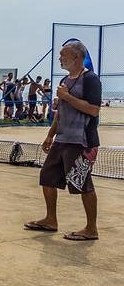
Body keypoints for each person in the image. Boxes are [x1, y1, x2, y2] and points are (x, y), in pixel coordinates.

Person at [25, 40, 102, 241]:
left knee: (82, 182)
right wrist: (50, 135)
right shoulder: (66, 81)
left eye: (63, 55)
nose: (60, 58)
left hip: (82, 141)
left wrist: (67, 98)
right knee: (47, 176)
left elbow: (94, 110)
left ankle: (91, 228)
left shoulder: (91, 79)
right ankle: (50, 220)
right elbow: (60, 113)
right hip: (62, 139)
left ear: (76, 57)